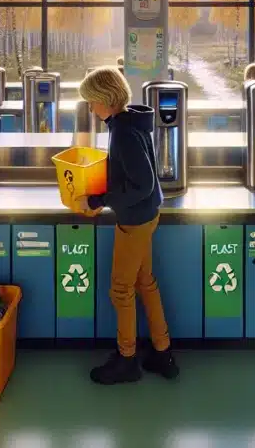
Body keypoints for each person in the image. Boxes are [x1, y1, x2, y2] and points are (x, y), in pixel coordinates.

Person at [73, 67, 177, 385]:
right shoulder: (131, 122)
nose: (92, 108)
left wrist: (98, 200)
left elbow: (142, 183)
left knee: (121, 290)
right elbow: (135, 174)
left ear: (105, 98)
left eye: (92, 101)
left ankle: (127, 359)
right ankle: (163, 353)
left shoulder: (122, 132)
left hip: (134, 221)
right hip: (147, 215)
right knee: (145, 283)